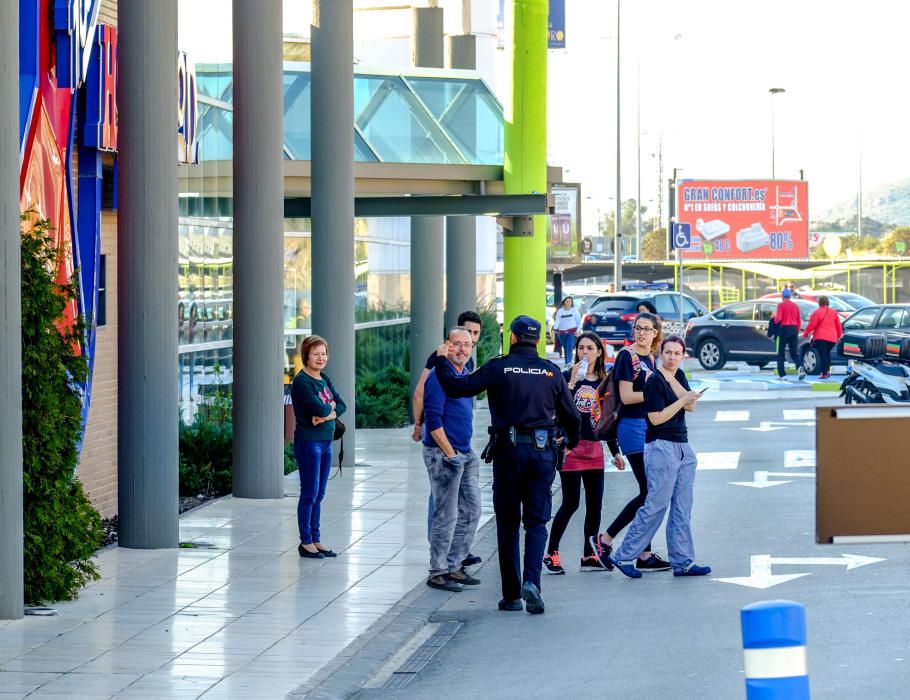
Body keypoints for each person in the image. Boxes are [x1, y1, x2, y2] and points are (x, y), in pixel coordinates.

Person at [434, 316, 580, 615]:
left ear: (512, 338)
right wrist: (570, 440)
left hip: (508, 453)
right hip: (542, 454)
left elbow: (456, 387)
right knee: (537, 523)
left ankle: (512, 595)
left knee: (508, 523)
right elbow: (574, 417)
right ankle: (532, 583)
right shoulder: (551, 372)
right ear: (537, 340)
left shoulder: (498, 367)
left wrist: (440, 361)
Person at [607, 335, 712, 578]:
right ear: (661, 354)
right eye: (668, 353)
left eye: (677, 353)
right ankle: (623, 556)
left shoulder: (679, 376)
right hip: (660, 446)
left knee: (682, 507)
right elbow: (655, 418)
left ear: (683, 356)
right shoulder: (653, 381)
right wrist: (682, 399)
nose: (672, 357)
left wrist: (682, 393)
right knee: (656, 504)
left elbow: (690, 405)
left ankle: (683, 561)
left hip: (683, 446)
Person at [591, 312, 671, 572]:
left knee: (650, 492)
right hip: (632, 428)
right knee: (649, 491)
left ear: (656, 332)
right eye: (638, 328)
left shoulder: (650, 358)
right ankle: (605, 539)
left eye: (647, 329)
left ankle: (644, 554)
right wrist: (654, 391)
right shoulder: (628, 356)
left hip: (647, 426)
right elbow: (626, 397)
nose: (642, 333)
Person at [411, 310, 484, 569]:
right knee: (446, 515)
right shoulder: (438, 375)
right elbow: (434, 419)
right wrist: (449, 452)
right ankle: (439, 569)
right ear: (446, 346)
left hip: (464, 452)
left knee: (473, 510)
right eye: (457, 344)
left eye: (468, 344)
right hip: (444, 454)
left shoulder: (464, 373)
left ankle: (455, 564)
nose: (464, 349)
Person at [544, 331, 609, 575]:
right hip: (571, 448)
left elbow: (607, 416)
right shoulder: (565, 377)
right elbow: (557, 408)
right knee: (570, 503)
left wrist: (616, 451)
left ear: (599, 352)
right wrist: (571, 383)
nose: (585, 353)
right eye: (581, 348)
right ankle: (551, 553)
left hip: (594, 449)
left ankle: (589, 554)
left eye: (590, 348)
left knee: (595, 505)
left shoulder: (604, 380)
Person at [291, 335, 347, 559]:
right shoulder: (302, 382)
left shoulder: (324, 378)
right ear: (306, 356)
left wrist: (326, 415)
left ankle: (316, 538)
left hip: (325, 441)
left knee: (320, 494)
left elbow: (340, 405)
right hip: (309, 442)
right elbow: (320, 408)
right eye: (316, 354)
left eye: (323, 353)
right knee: (309, 493)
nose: (321, 357)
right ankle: (306, 542)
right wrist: (327, 411)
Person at [803, 295, 843, 379]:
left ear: (819, 303)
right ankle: (827, 371)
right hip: (832, 338)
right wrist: (839, 335)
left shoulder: (817, 312)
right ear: (828, 302)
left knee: (822, 355)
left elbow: (812, 325)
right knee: (827, 354)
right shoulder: (834, 312)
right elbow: (838, 325)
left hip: (821, 337)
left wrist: (806, 334)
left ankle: (824, 373)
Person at [772, 288, 805, 380]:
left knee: (781, 353)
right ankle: (799, 367)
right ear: (790, 296)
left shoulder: (781, 305)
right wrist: (797, 330)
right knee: (794, 352)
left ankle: (782, 374)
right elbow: (799, 320)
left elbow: (778, 319)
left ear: (782, 296)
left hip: (784, 329)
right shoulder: (795, 306)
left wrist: (773, 317)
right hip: (794, 329)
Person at [553, 297, 582, 365]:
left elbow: (579, 321)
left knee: (569, 347)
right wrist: (555, 328)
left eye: (570, 301)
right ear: (564, 302)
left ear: (571, 303)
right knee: (565, 348)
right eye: (567, 301)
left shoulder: (574, 311)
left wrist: (578, 330)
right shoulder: (560, 311)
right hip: (562, 333)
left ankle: (569, 362)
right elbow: (558, 320)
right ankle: (566, 363)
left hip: (572, 332)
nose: (568, 302)